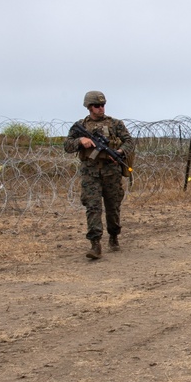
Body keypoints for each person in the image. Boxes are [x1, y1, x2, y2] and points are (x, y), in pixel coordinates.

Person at [64, 91, 134, 259]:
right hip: (90, 173)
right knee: (93, 207)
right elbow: (67, 145)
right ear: (89, 107)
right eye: (97, 106)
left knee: (113, 206)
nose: (101, 108)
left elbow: (129, 142)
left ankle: (114, 235)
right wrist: (81, 141)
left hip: (111, 172)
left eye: (103, 105)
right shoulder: (80, 125)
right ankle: (95, 244)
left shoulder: (115, 124)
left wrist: (119, 152)